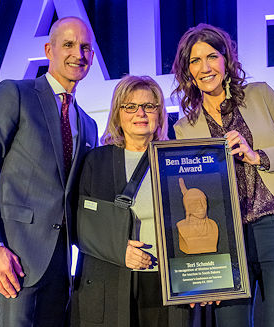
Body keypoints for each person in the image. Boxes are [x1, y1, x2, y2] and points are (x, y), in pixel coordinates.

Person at [171, 23, 274, 327]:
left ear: (226, 60)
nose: (205, 67)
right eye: (194, 61)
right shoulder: (184, 127)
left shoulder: (260, 95)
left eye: (211, 56)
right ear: (187, 71)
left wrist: (258, 156)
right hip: (226, 242)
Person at [0, 16, 98, 326]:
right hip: (12, 260)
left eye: (85, 47)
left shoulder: (88, 123)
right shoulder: (15, 94)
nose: (79, 53)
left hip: (61, 267)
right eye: (68, 44)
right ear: (49, 50)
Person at [71, 75, 189, 327]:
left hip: (167, 285)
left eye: (149, 106)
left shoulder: (176, 159)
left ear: (159, 113)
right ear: (118, 113)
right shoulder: (95, 161)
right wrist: (118, 248)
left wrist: (201, 280)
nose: (141, 113)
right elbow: (78, 224)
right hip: (111, 282)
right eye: (130, 106)